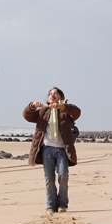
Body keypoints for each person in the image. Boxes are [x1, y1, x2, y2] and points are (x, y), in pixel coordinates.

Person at [23, 87, 81, 215]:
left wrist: (62, 107)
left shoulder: (66, 112)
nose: (52, 95)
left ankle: (62, 204)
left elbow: (77, 112)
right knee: (49, 179)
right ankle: (50, 205)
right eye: (50, 94)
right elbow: (27, 116)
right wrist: (31, 106)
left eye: (55, 93)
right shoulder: (43, 111)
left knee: (63, 176)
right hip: (47, 149)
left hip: (62, 149)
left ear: (60, 96)